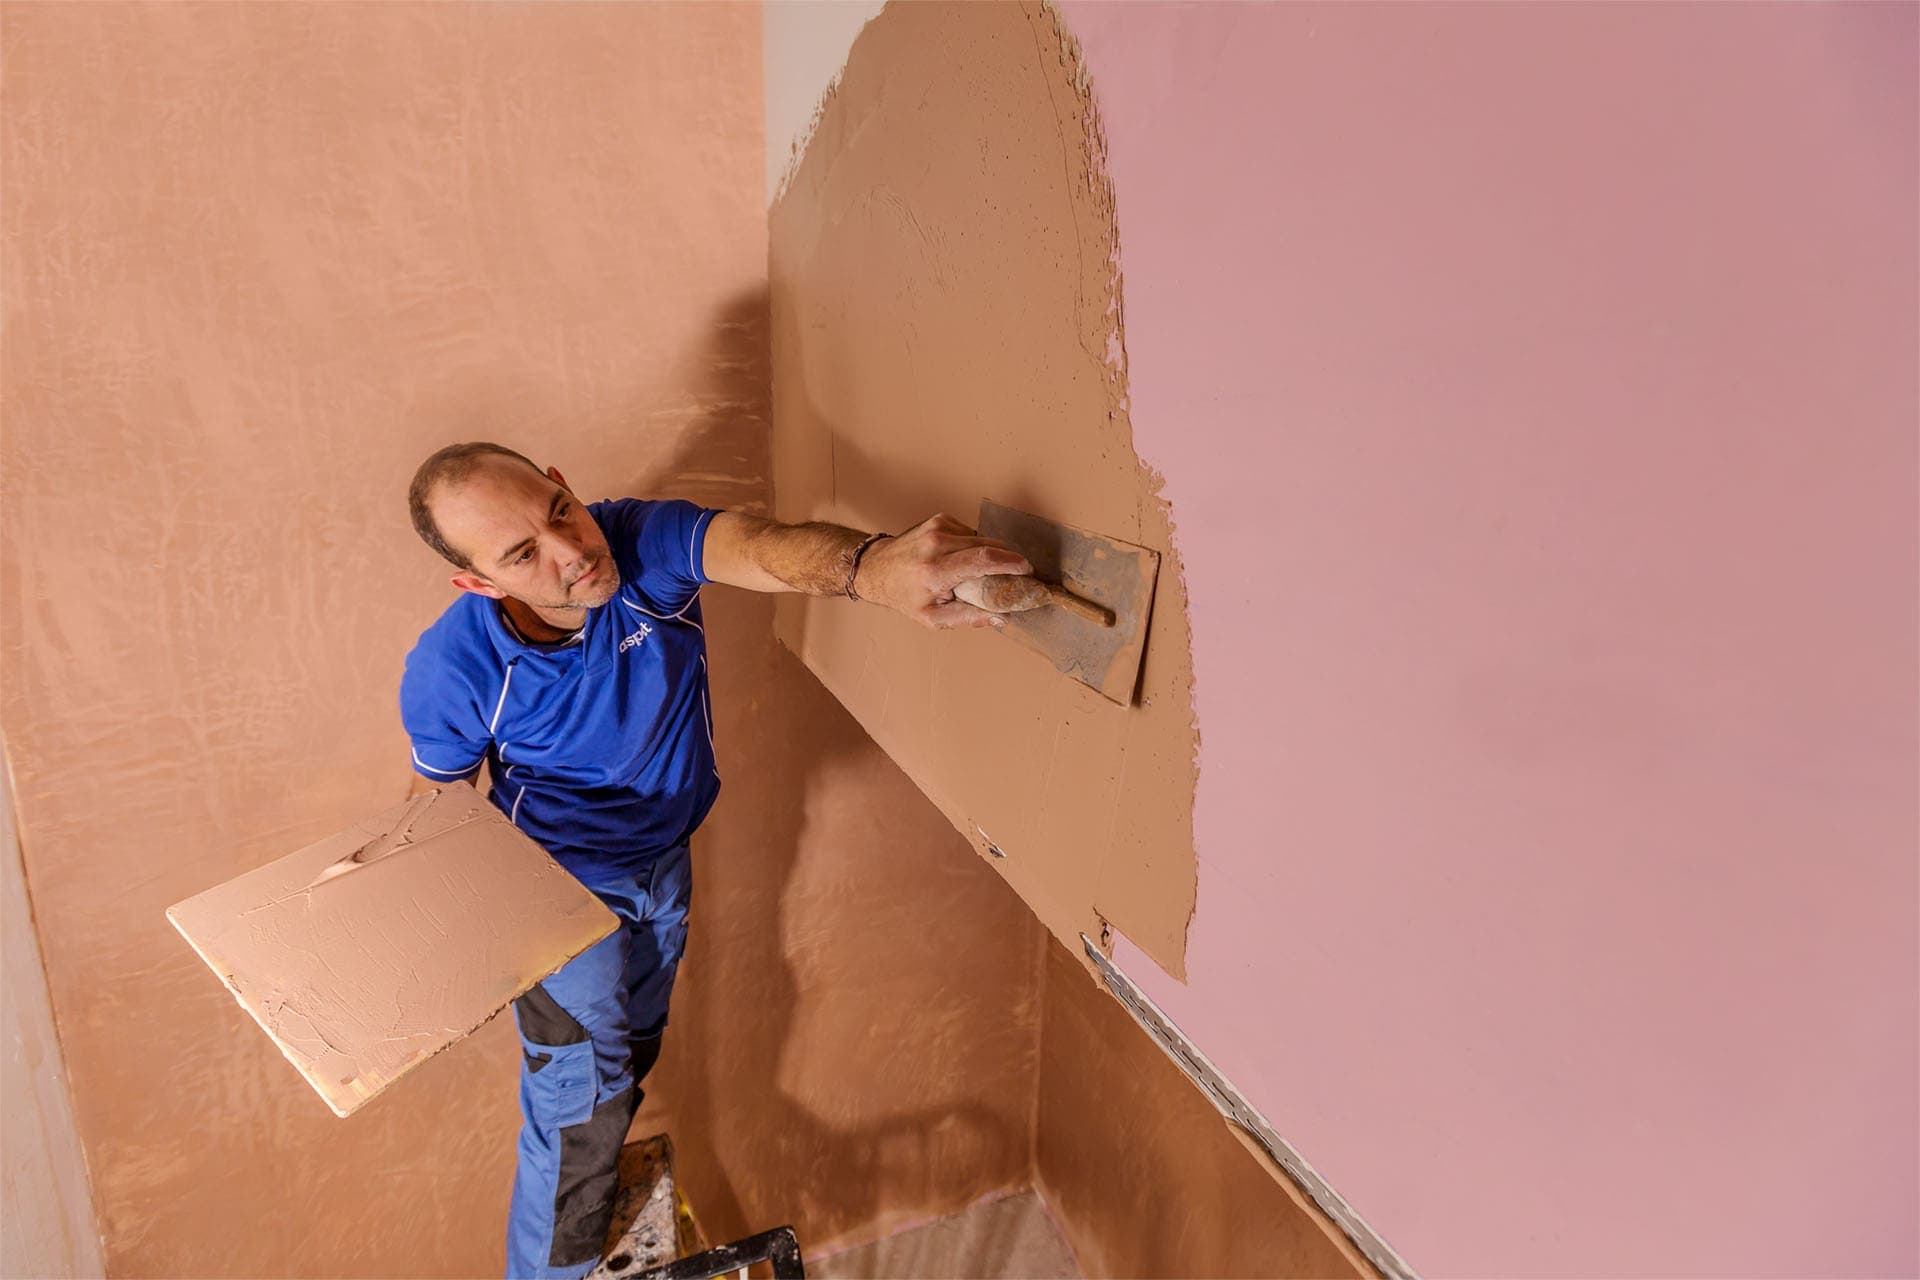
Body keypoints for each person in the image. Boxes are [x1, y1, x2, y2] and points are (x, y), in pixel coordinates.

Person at [398, 441, 1030, 1279]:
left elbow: (758, 547)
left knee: (634, 1052)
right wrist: (449, 948)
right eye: (522, 555)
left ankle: (585, 1205)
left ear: (563, 483)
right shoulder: (454, 669)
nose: (571, 551)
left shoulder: (637, 544)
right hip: (558, 892)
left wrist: (869, 569)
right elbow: (437, 813)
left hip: (663, 859)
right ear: (477, 583)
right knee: (580, 1098)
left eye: (559, 513)